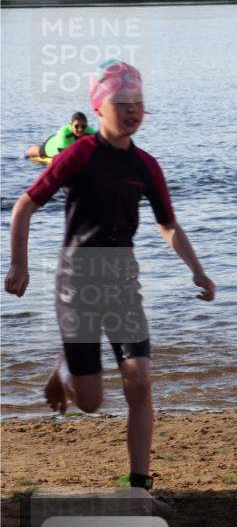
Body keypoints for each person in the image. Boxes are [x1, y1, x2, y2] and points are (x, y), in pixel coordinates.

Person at [4, 59, 215, 492]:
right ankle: (65, 371)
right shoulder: (79, 154)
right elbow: (24, 206)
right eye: (123, 103)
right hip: (76, 282)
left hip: (122, 281)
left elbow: (169, 225)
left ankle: (139, 486)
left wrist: (197, 270)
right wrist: (18, 264)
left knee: (139, 377)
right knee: (93, 403)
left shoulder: (146, 166)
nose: (133, 111)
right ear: (99, 107)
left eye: (138, 103)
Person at [25, 111, 96, 160]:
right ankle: (27, 153)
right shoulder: (64, 133)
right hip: (51, 147)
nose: (80, 129)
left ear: (87, 126)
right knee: (38, 151)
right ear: (71, 125)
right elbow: (65, 158)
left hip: (69, 146)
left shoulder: (91, 132)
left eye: (83, 126)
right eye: (76, 126)